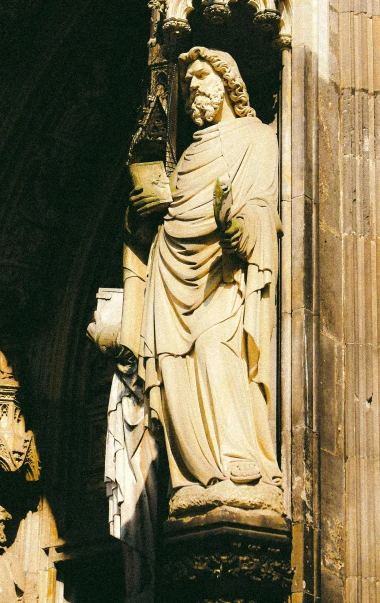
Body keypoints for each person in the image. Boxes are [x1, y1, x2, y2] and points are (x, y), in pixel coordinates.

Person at [128, 46, 283, 517]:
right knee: (176, 371)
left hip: (224, 276)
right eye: (189, 83)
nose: (194, 88)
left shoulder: (256, 139)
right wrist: (149, 213)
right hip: (172, 277)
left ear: (228, 82)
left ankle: (241, 465)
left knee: (217, 350)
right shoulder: (191, 153)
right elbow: (175, 215)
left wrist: (235, 227)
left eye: (202, 78)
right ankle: (195, 474)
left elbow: (261, 208)